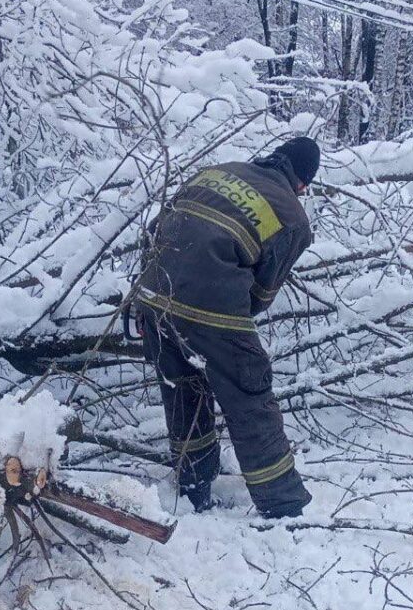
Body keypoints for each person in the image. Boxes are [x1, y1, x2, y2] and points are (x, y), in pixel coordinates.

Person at [133, 137, 319, 519]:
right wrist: (224, 339)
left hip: (153, 293)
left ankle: (194, 485)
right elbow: (262, 294)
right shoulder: (293, 217)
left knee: (183, 385)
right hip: (209, 307)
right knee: (249, 396)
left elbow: (153, 232)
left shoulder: (219, 172)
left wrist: (146, 296)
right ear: (302, 184)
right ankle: (283, 506)